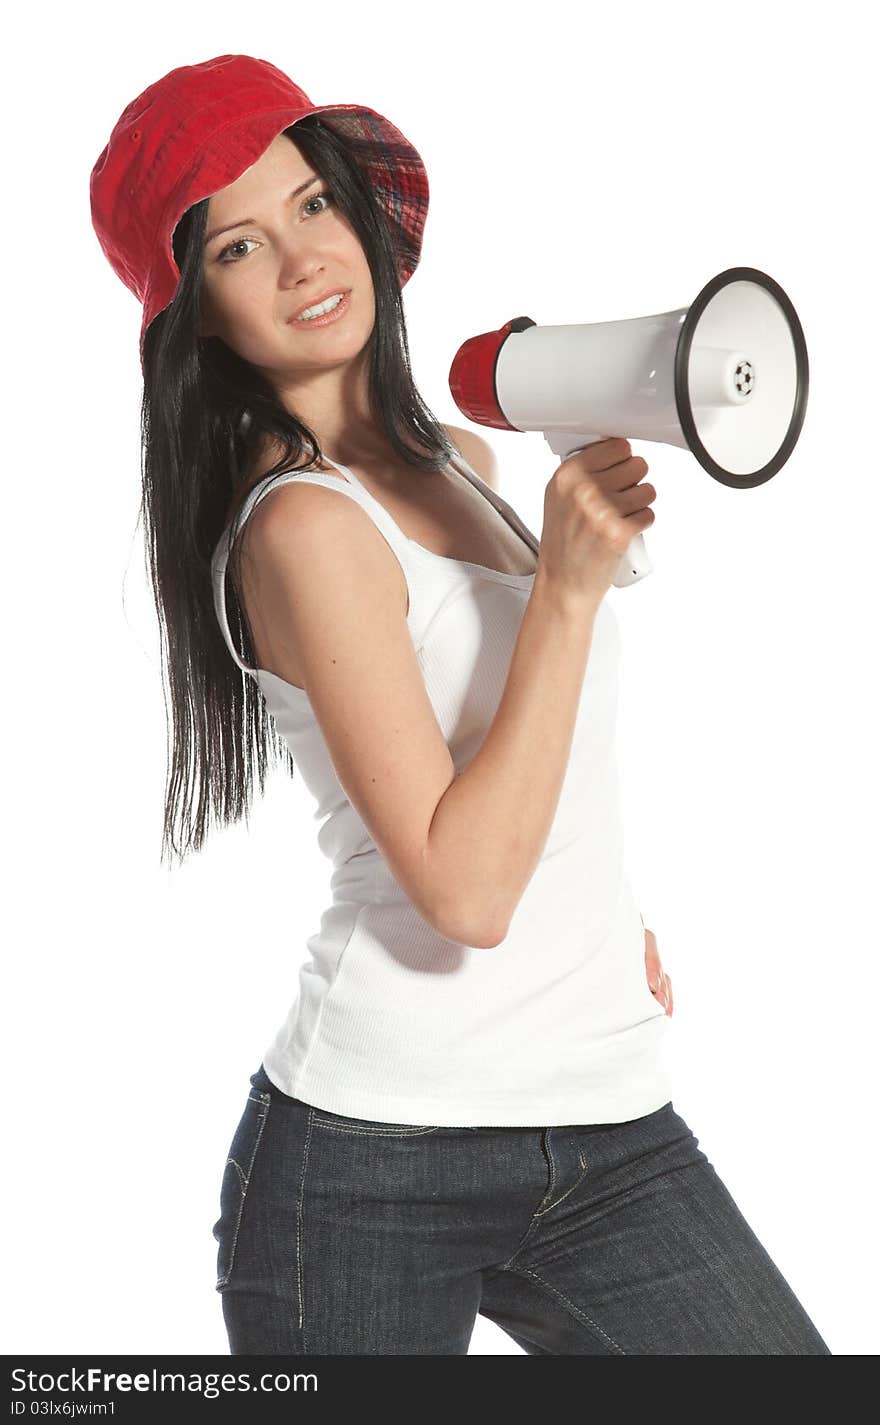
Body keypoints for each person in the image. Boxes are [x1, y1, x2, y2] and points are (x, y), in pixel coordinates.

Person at [90, 54, 831, 1356]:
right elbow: (464, 892)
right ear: (198, 313)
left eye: (315, 203)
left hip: (605, 1126)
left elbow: (515, 761)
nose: (305, 258)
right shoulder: (304, 527)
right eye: (240, 247)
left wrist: (595, 912)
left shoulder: (469, 462)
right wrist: (567, 591)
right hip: (374, 1165)